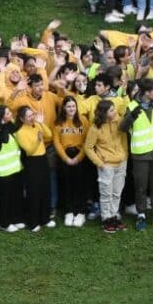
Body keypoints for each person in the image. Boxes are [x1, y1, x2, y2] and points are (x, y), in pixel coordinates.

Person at [121, 79, 153, 230]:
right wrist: (131, 117)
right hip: (140, 155)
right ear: (147, 93)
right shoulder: (132, 106)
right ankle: (140, 215)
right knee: (141, 188)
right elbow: (123, 128)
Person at [85, 99, 128, 233]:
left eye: (114, 109)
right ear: (104, 113)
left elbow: (124, 139)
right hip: (106, 166)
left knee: (117, 193)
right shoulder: (95, 128)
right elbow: (88, 147)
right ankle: (106, 219)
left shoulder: (119, 121)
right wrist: (100, 163)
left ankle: (114, 216)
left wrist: (125, 155)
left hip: (121, 163)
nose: (115, 111)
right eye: (111, 110)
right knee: (106, 194)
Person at [53, 95, 90, 227]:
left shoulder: (84, 120)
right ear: (63, 107)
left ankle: (80, 213)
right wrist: (66, 158)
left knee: (80, 185)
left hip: (80, 155)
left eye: (73, 106)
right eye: (68, 106)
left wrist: (79, 157)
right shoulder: (58, 122)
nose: (71, 108)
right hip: (65, 156)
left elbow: (88, 141)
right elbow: (56, 142)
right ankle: (69, 211)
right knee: (67, 185)